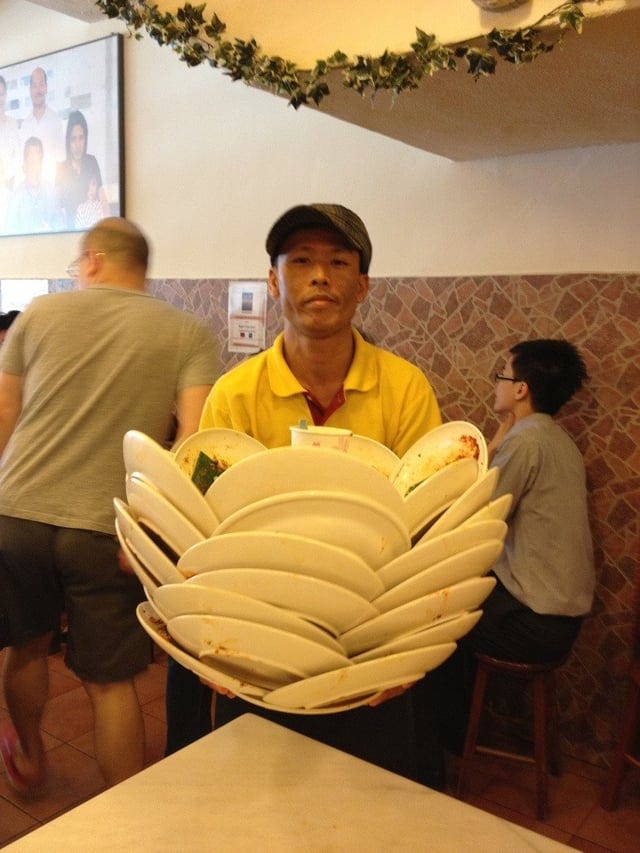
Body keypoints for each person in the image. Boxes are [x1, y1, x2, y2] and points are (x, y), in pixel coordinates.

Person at [166, 203, 442, 778]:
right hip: (260, 642)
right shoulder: (234, 395)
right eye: (301, 261)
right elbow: (204, 529)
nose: (320, 275)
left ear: (362, 285)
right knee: (257, 802)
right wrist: (210, 637)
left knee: (372, 804)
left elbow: (431, 523)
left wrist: (405, 652)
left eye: (339, 261)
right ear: (273, 280)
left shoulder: (405, 388)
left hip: (370, 641)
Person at [0, 217, 219, 795]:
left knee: (25, 646)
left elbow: (3, 413)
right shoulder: (188, 331)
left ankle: (27, 752)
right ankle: (128, 819)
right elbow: (192, 446)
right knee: (111, 682)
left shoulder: (38, 314)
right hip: (108, 528)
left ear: (92, 260)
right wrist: (154, 533)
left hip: (18, 513)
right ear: (142, 267)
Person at [413, 338, 596, 788]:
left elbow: (478, 513)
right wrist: (501, 430)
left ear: (521, 389)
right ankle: (450, 739)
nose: (495, 383)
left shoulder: (526, 443)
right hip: (559, 617)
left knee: (430, 624)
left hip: (535, 623)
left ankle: (434, 750)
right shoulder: (549, 436)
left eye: (502, 375)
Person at [56, 110, 109, 229]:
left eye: (81, 138)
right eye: (73, 139)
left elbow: (103, 198)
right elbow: (56, 206)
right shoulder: (61, 168)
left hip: (92, 232)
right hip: (68, 233)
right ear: (68, 141)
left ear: (86, 139)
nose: (78, 144)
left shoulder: (92, 162)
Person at [5, 136, 61, 234]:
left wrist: (51, 231)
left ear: (42, 163)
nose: (35, 167)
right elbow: (10, 232)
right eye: (31, 162)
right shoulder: (16, 197)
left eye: (38, 162)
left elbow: (60, 226)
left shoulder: (51, 192)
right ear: (25, 164)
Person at [19, 67, 64, 184]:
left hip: (50, 191)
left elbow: (61, 161)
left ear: (46, 88)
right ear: (30, 90)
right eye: (34, 86)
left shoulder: (55, 121)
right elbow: (22, 162)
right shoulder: (25, 125)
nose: (38, 90)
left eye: (41, 85)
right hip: (29, 193)